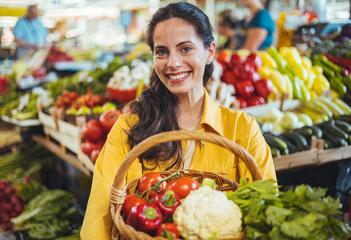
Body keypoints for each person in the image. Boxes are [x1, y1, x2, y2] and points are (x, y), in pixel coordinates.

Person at [80, 2, 276, 239]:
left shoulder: (242, 129)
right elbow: (97, 221)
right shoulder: (129, 127)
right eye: (162, 51)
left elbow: (267, 213)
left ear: (210, 52)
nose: (172, 63)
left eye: (185, 49)